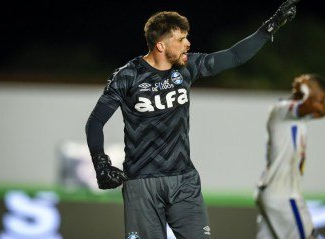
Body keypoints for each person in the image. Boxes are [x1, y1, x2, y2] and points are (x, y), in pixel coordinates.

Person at [85, 1, 300, 238]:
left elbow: (235, 56)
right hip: (141, 183)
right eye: (181, 39)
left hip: (184, 181)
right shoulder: (127, 76)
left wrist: (269, 28)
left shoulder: (188, 67)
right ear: (160, 45)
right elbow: (95, 122)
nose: (188, 44)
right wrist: (101, 164)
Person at [254, 73, 325, 239]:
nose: (320, 104)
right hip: (283, 195)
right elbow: (310, 107)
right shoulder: (282, 110)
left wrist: (311, 93)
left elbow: (324, 111)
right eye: (317, 98)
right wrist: (306, 91)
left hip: (274, 193)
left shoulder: (299, 115)